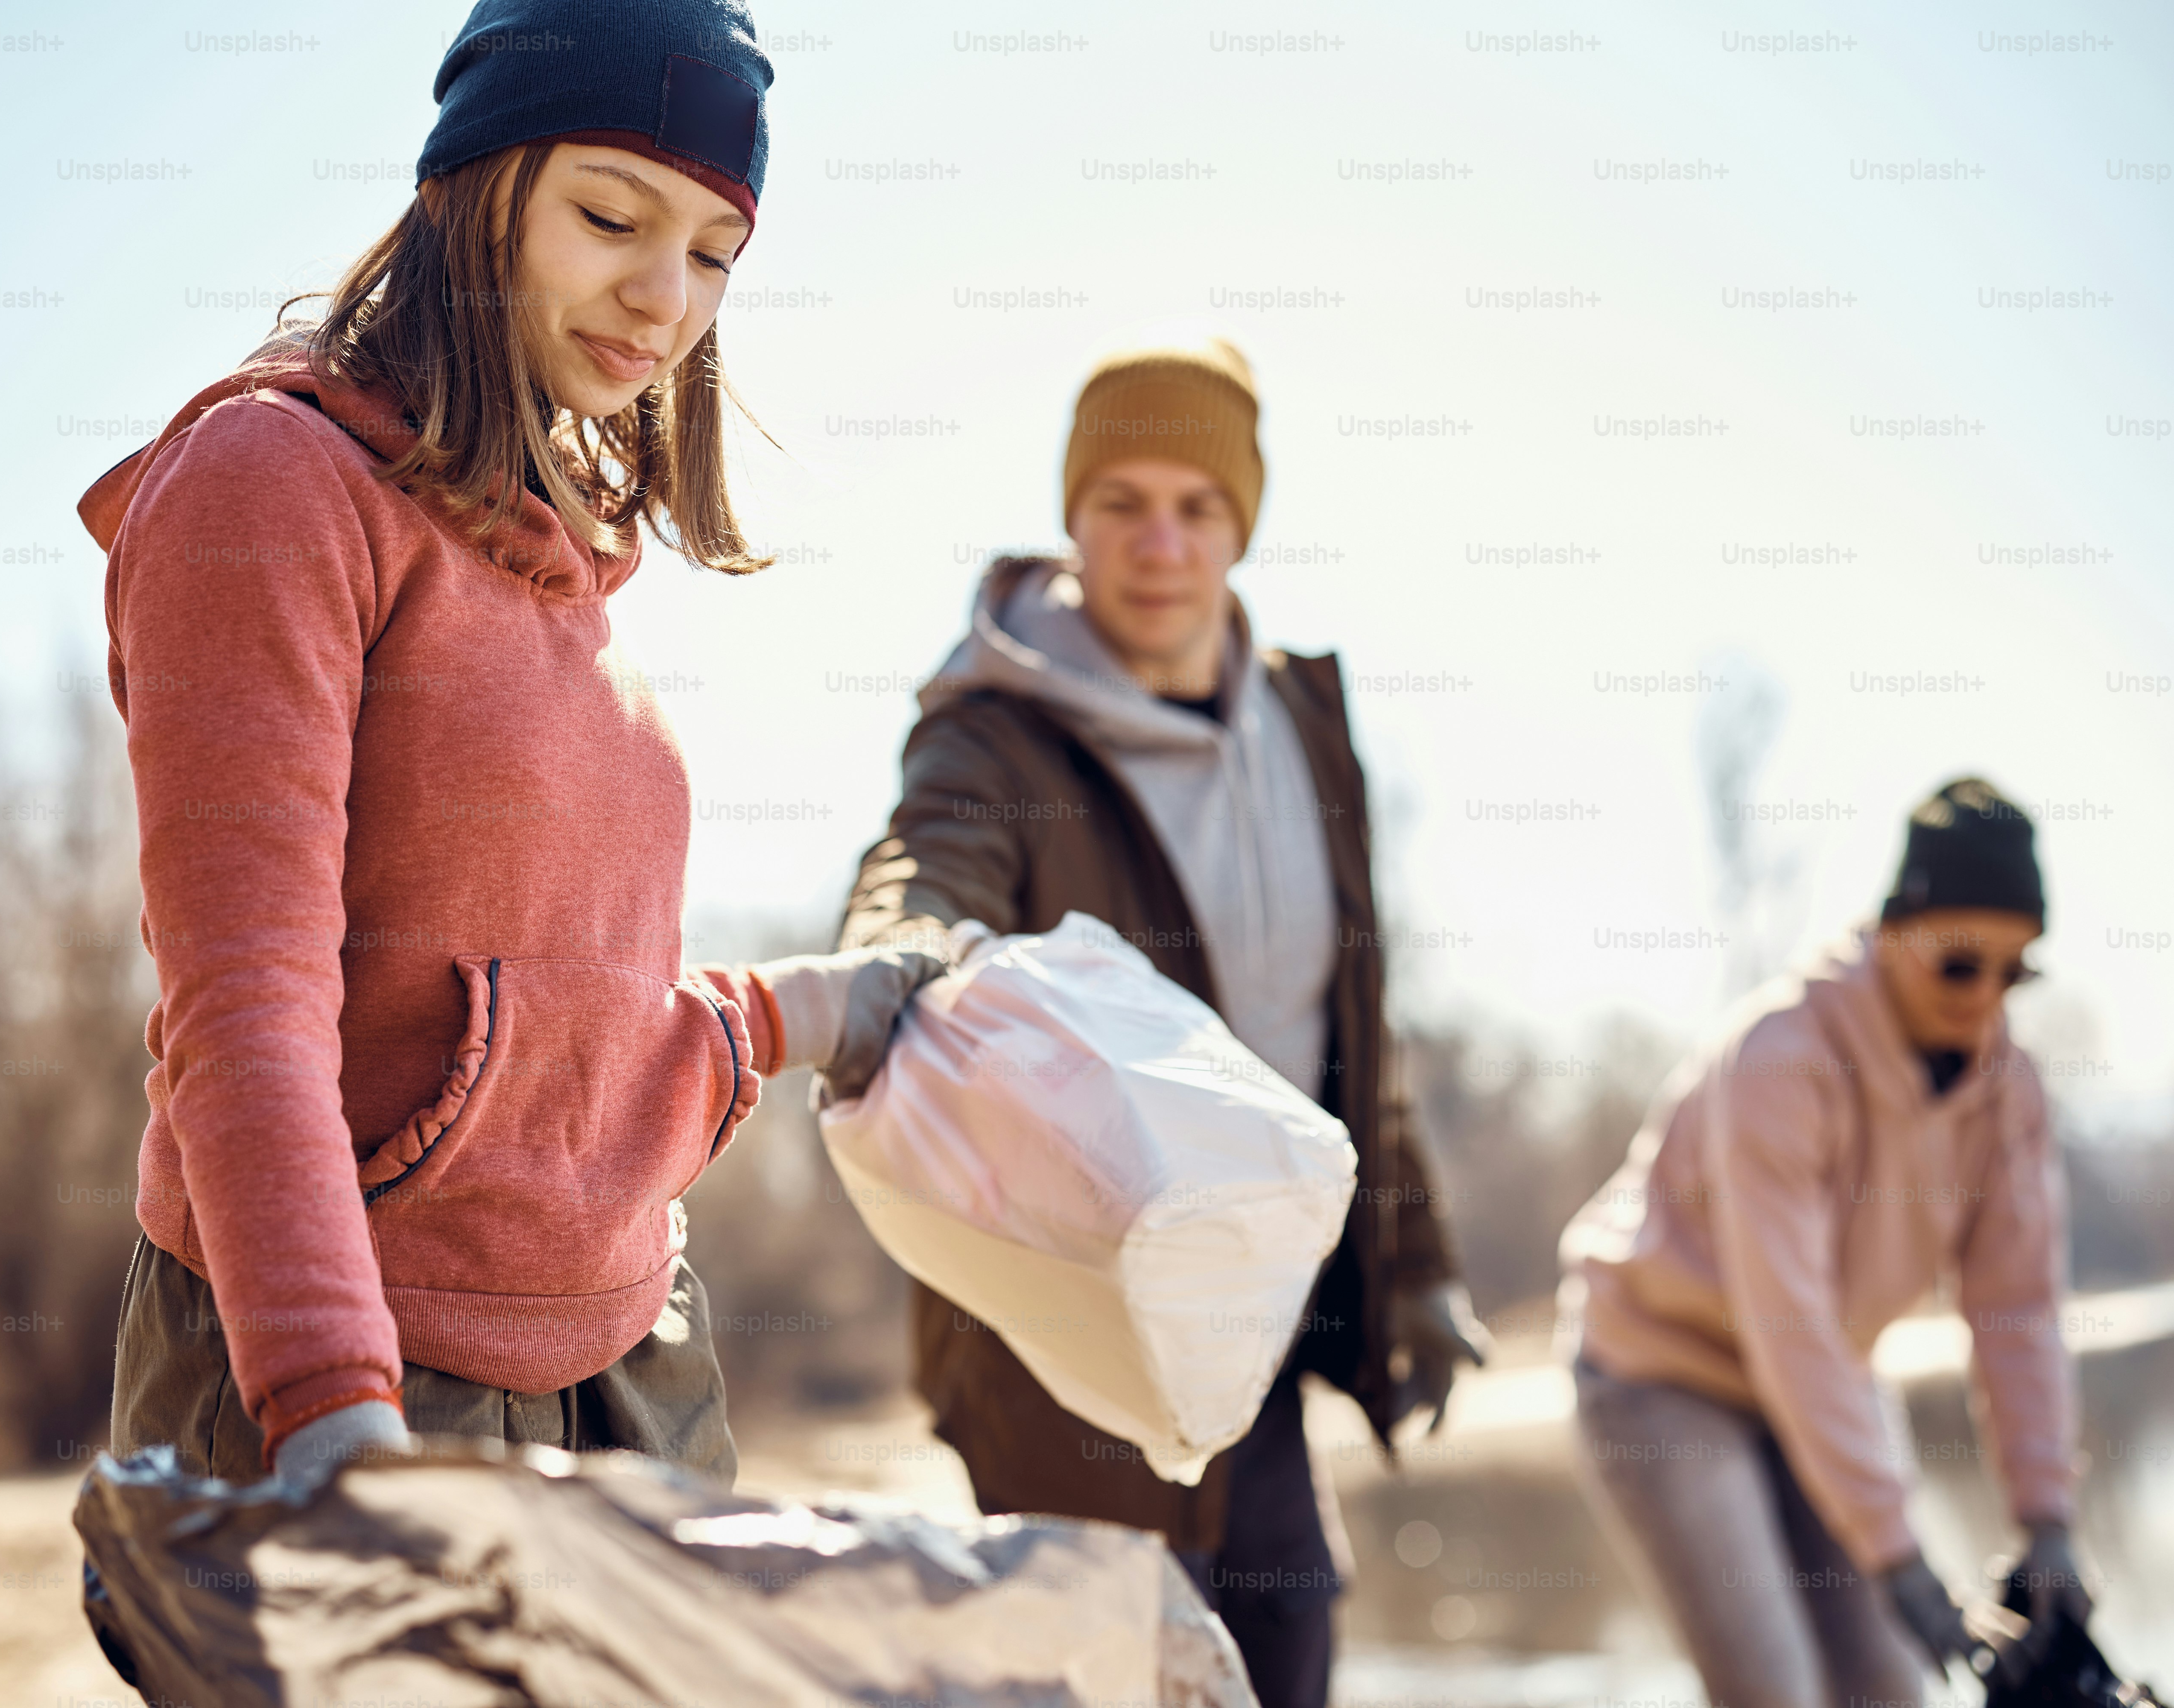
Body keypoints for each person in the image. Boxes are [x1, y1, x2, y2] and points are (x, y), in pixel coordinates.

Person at [81, 0, 923, 1491]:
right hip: (344, 1369)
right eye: (612, 214)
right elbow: (248, 1009)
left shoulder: (575, 568)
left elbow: (568, 1019)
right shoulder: (271, 487)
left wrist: (812, 1011)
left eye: (717, 253)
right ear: (477, 188)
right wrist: (335, 1414)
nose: (667, 296)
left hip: (640, 1365)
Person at [835, 335, 1486, 1708]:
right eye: (1121, 501)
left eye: (1197, 506)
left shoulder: (1308, 724)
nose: (1159, 543)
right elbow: (928, 860)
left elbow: (1353, 1033)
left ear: (1242, 524)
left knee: (1286, 1641)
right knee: (1130, 1673)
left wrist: (1415, 1261)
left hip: (1253, 1311)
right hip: (1065, 1314)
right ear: (1072, 517)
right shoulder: (995, 729)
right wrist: (893, 954)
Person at [1558, 778, 2091, 1707]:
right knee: (1776, 1690)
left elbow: (2018, 1308)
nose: (1987, 997)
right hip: (1664, 1375)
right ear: (1893, 933)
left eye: (2016, 972)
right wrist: (1905, 1566)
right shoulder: (1782, 1058)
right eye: (1960, 964)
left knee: (1888, 1690)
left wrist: (2048, 1519)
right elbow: (1785, 1318)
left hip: (1823, 1376)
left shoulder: (2009, 1088)